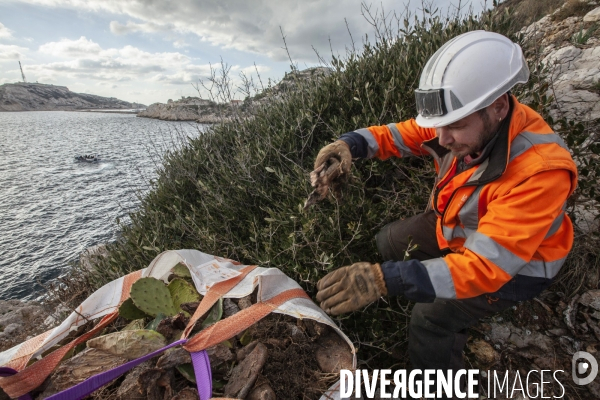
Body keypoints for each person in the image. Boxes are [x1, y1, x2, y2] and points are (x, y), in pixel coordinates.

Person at [311, 30, 578, 390]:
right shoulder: (469, 121)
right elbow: (399, 135)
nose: (441, 140)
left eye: (453, 127)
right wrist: (350, 145)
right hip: (460, 234)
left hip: (518, 268)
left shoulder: (541, 172)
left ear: (498, 107)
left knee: (430, 319)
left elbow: (487, 266)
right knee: (389, 241)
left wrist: (388, 280)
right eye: (438, 126)